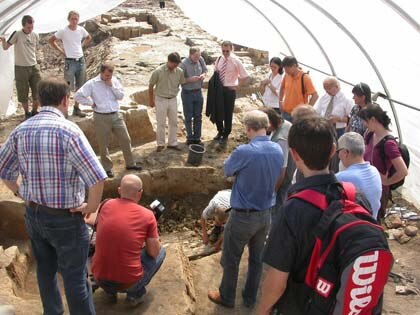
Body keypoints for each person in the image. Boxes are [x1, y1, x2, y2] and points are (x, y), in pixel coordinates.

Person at [258, 117, 388, 315]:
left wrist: (262, 311)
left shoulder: (293, 209)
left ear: (294, 155)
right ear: (333, 150)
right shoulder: (354, 195)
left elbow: (277, 280)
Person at [0, 78, 107, 315]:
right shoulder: (69, 130)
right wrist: (91, 206)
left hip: (34, 215)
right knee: (75, 277)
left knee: (45, 270)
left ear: (37, 100)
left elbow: (3, 169)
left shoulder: (21, 129)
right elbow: (98, 177)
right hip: (65, 219)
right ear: (65, 100)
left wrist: (19, 192)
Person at [207, 110, 283, 308]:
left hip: (243, 216)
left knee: (231, 258)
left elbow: (227, 170)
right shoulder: (277, 149)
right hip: (266, 213)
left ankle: (227, 297)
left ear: (249, 128)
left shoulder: (244, 151)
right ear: (266, 127)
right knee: (257, 259)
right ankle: (250, 299)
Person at [92, 174, 166, 306]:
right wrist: (153, 231)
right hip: (128, 283)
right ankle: (134, 295)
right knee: (161, 252)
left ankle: (109, 292)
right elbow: (153, 252)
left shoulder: (105, 204)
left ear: (119, 190)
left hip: (99, 278)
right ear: (140, 193)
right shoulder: (148, 215)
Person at [74, 62, 142, 178]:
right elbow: (78, 95)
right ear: (101, 72)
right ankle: (107, 168)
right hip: (101, 116)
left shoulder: (114, 81)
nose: (108, 78)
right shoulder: (92, 84)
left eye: (110, 76)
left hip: (116, 115)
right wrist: (91, 103)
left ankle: (130, 163)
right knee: (103, 143)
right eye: (106, 76)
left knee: (126, 139)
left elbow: (120, 96)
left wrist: (111, 85)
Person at [359, 103, 408, 218]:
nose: (364, 124)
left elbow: (403, 171)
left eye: (365, 121)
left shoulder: (388, 144)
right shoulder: (370, 135)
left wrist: (387, 181)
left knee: (374, 219)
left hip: (379, 190)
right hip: (366, 183)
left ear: (373, 119)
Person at [49, 10, 92, 118]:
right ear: (69, 19)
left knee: (80, 85)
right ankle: (65, 110)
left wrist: (81, 46)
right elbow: (51, 40)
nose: (74, 21)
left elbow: (89, 37)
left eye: (76, 19)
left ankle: (76, 108)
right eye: (72, 18)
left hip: (80, 61)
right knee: (67, 87)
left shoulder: (81, 30)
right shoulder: (63, 31)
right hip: (70, 62)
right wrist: (61, 51)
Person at [0, 15, 41, 119]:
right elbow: (5, 48)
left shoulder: (35, 35)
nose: (30, 29)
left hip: (33, 66)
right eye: (28, 27)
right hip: (20, 67)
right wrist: (4, 40)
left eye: (32, 27)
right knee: (23, 91)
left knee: (38, 89)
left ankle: (35, 111)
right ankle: (27, 113)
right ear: (23, 26)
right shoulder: (17, 34)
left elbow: (36, 49)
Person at [336, 132, 382, 219]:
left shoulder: (342, 178)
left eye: (338, 151)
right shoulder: (374, 171)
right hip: (372, 223)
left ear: (346, 152)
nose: (338, 155)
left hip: (354, 227)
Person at [213, 41, 249, 144]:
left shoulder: (236, 61)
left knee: (228, 113)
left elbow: (245, 76)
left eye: (227, 51)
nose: (225, 53)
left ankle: (226, 134)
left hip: (229, 90)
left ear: (231, 49)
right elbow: (216, 71)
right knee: (218, 110)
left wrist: (236, 86)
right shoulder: (219, 59)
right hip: (219, 89)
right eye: (223, 50)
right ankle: (220, 131)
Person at [149, 52, 185, 152]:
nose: (176, 66)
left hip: (173, 99)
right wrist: (151, 100)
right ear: (169, 61)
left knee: (173, 122)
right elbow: (151, 85)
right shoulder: (158, 71)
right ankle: (160, 143)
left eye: (177, 64)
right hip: (160, 99)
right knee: (161, 122)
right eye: (174, 64)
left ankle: (172, 143)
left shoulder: (179, 72)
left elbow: (182, 84)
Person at [260, 107, 293, 208]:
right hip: (284, 175)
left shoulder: (280, 139)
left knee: (277, 207)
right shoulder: (284, 123)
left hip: (282, 181)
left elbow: (282, 171)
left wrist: (274, 191)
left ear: (269, 122)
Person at [180, 47, 208, 145]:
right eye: (196, 56)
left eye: (199, 55)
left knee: (198, 116)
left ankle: (197, 137)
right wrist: (190, 80)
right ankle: (190, 138)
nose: (198, 58)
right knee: (188, 116)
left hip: (198, 92)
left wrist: (203, 75)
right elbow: (180, 79)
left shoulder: (201, 60)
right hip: (188, 93)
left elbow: (205, 70)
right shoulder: (183, 64)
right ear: (190, 55)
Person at [279, 56, 318, 122]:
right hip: (285, 112)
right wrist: (280, 102)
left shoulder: (305, 78)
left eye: (287, 69)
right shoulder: (287, 75)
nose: (285, 71)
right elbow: (282, 88)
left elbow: (315, 95)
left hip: (299, 116)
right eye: (284, 69)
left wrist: (307, 110)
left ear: (294, 66)